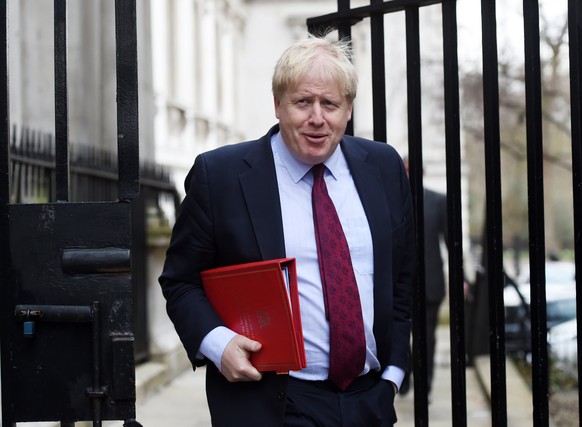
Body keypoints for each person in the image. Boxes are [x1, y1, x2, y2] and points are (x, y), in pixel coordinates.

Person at [159, 36, 415, 427]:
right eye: (302, 102)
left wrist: (393, 377)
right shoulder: (222, 176)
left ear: (348, 110)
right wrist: (217, 343)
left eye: (329, 104)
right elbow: (180, 282)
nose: (317, 118)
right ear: (278, 105)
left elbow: (402, 281)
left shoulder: (383, 167)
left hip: (369, 402)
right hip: (272, 403)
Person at [403, 157, 447, 394]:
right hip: (401, 283)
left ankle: (425, 383)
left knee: (427, 336)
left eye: (414, 170)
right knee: (400, 332)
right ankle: (406, 376)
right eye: (407, 170)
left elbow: (452, 241)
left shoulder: (438, 201)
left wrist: (462, 278)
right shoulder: (392, 198)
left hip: (431, 282)